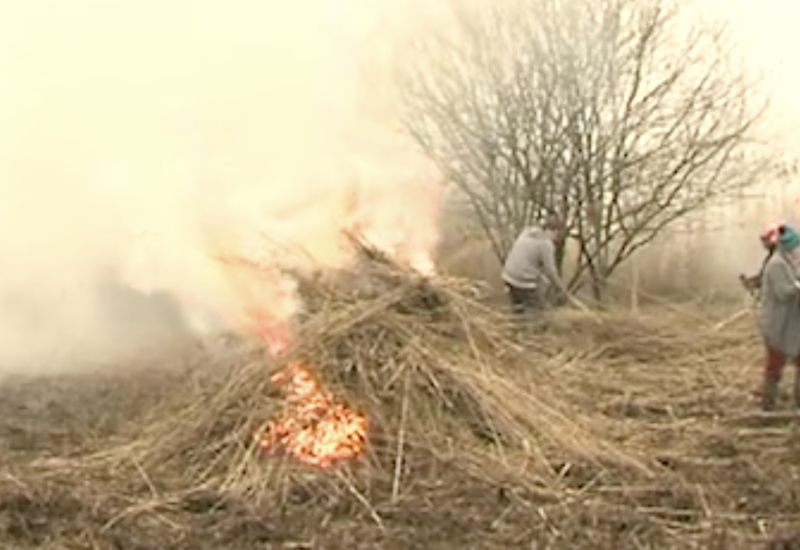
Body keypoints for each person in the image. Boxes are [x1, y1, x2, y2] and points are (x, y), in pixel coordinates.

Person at [758, 223, 800, 410]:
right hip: (776, 324)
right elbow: (784, 293)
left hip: (790, 324)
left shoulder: (786, 261)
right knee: (775, 364)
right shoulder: (776, 264)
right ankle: (767, 403)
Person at [502, 216, 571, 314]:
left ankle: (516, 326)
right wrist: (561, 288)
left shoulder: (526, 233)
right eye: (557, 234)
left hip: (508, 276)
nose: (556, 239)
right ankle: (536, 327)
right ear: (552, 231)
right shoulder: (546, 244)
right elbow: (550, 271)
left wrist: (540, 277)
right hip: (523, 281)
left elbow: (528, 259)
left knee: (518, 309)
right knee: (539, 312)